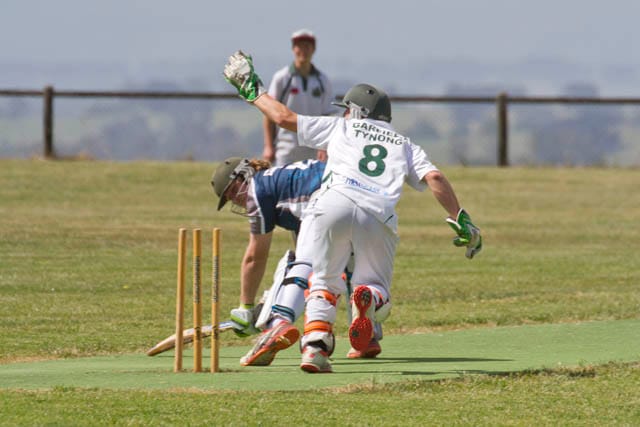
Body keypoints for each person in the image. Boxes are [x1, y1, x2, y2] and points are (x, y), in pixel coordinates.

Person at [223, 51, 483, 373]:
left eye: (346, 109)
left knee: (321, 280)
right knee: (375, 286)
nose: (344, 114)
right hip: (378, 214)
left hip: (331, 204)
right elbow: (435, 178)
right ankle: (369, 298)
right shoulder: (404, 144)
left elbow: (283, 118)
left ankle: (313, 347)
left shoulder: (341, 128)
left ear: (357, 111)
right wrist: (461, 219)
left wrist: (253, 91)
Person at [211, 157, 365, 366]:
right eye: (229, 198)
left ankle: (277, 322)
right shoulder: (285, 184)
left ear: (243, 175)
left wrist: (245, 307)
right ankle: (366, 338)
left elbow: (255, 257)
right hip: (359, 194)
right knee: (350, 266)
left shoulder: (258, 189)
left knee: (302, 264)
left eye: (233, 190)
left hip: (325, 198)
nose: (235, 199)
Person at [263, 29, 335, 166]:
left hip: (314, 150)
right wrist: (268, 146)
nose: (303, 50)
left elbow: (327, 117)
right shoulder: (282, 78)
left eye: (307, 46)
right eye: (299, 46)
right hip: (285, 149)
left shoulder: (323, 80)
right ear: (293, 49)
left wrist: (324, 146)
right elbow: (269, 114)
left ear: (313, 49)